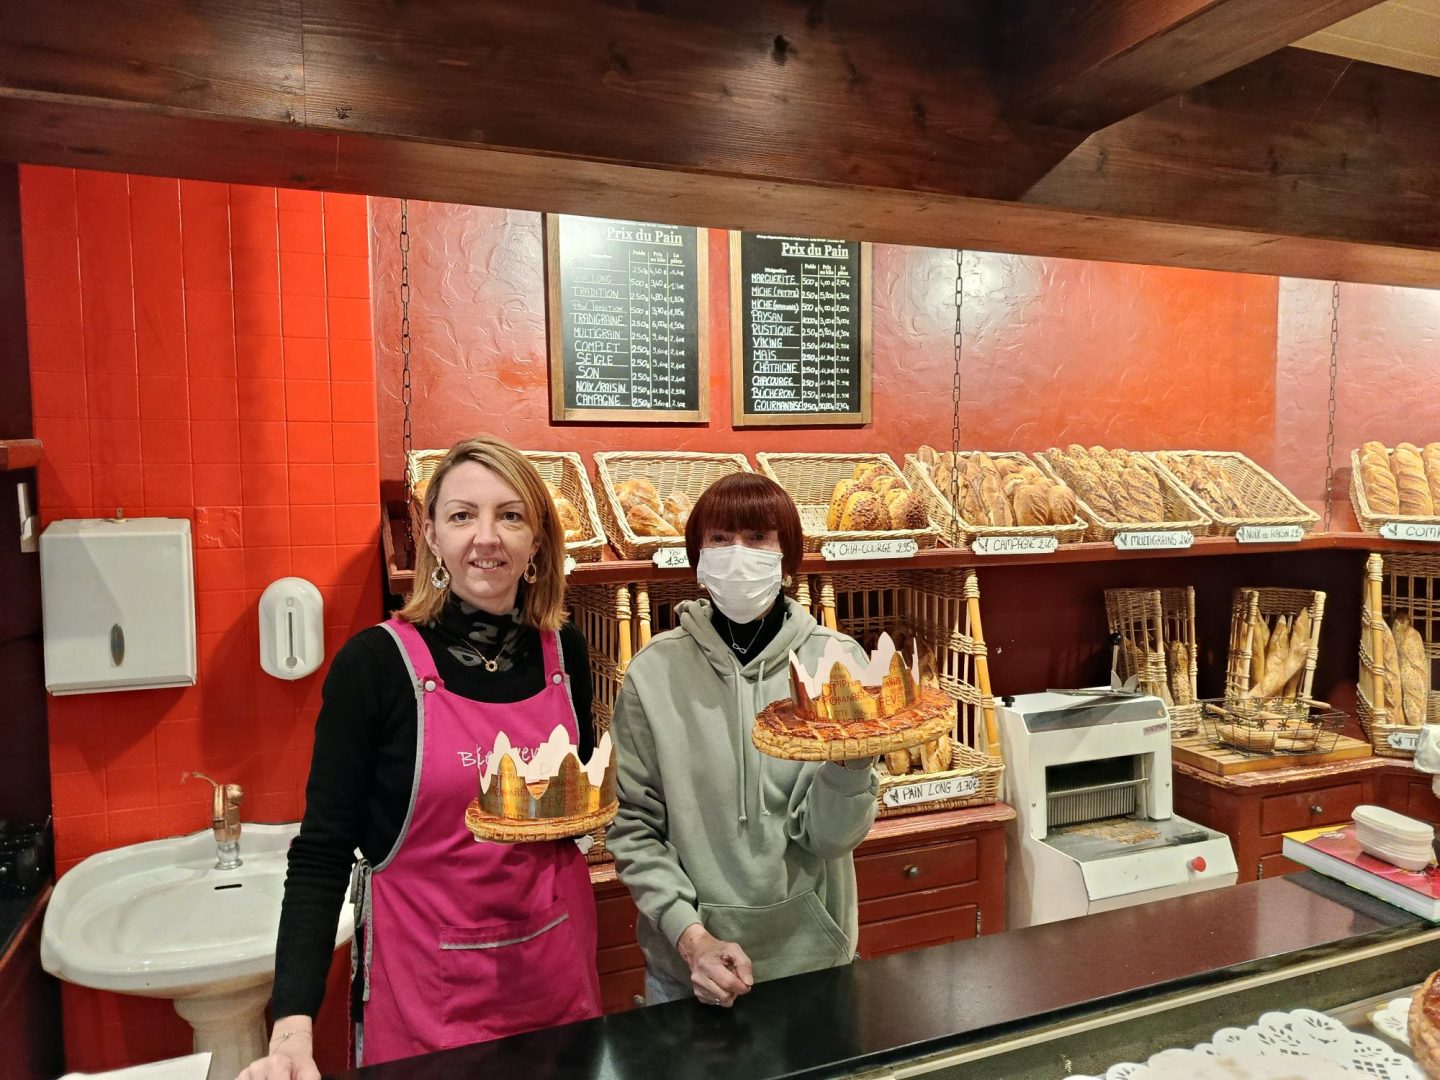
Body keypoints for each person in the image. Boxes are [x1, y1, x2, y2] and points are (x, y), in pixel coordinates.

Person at [239, 436, 601, 1079]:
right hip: (430, 999)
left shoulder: (566, 652)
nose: (486, 538)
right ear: (431, 535)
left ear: (538, 539)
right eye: (462, 515)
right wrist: (291, 1029)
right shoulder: (375, 666)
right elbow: (322, 852)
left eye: (510, 515)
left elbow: (574, 807)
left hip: (557, 978)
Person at [607, 472, 879, 1010]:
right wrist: (691, 939)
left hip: (814, 962)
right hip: (686, 970)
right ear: (698, 557)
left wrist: (855, 760)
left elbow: (831, 839)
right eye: (719, 538)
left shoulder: (837, 664)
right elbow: (635, 827)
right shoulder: (652, 673)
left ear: (787, 558)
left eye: (757, 538)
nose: (737, 554)